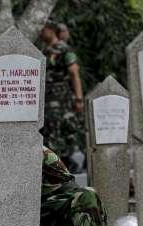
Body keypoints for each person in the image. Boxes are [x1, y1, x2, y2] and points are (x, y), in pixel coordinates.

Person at [39, 21, 85, 173]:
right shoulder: (43, 50)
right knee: (50, 130)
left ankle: (68, 163)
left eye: (43, 29)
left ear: (51, 30)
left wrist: (78, 98)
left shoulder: (64, 49)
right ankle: (55, 165)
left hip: (61, 98)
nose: (40, 32)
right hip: (47, 98)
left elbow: (74, 72)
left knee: (64, 129)